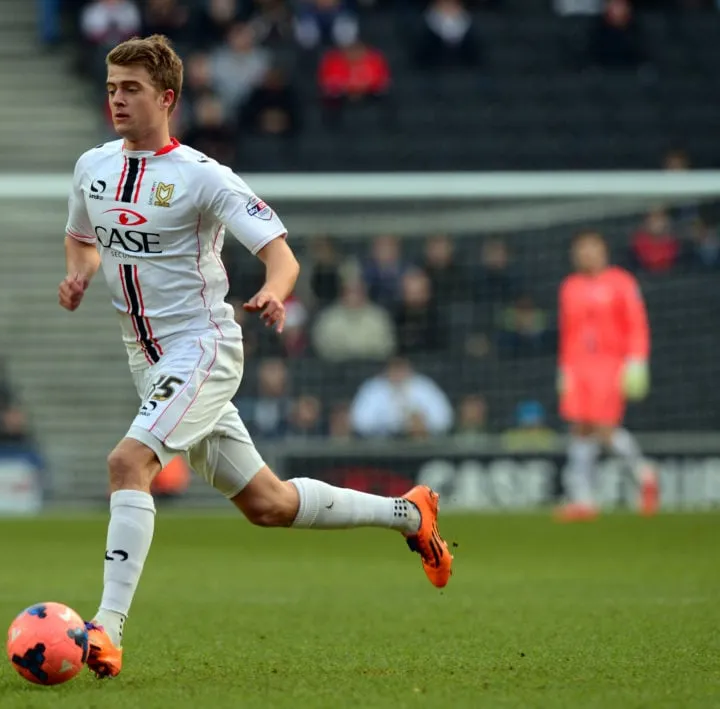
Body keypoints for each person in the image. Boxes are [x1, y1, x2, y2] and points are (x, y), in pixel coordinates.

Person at [57, 34, 453, 680]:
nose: (117, 100)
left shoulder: (203, 177)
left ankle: (105, 628)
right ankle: (409, 512)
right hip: (148, 360)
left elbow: (281, 254)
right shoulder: (91, 168)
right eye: (110, 88)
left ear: (167, 97)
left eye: (130, 89)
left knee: (128, 461)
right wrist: (77, 275)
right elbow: (80, 241)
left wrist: (272, 290)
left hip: (203, 348)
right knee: (268, 504)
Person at [557, 231, 658, 521]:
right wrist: (564, 368)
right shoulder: (570, 287)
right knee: (579, 427)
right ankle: (583, 499)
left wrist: (637, 361)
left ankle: (644, 474)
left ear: (604, 251)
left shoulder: (622, 282)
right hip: (578, 365)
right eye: (581, 250)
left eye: (592, 249)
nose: (586, 255)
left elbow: (636, 323)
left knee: (604, 428)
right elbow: (567, 331)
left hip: (609, 363)